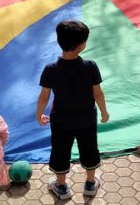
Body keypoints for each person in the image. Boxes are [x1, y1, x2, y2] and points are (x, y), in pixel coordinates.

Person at [36, 21, 109, 200]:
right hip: (86, 119)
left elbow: (44, 96)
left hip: (61, 120)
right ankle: (90, 183)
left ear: (59, 41)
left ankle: (61, 187)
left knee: (60, 151)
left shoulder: (51, 69)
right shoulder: (90, 66)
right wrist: (104, 112)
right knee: (89, 149)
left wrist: (39, 114)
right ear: (82, 45)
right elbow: (98, 94)